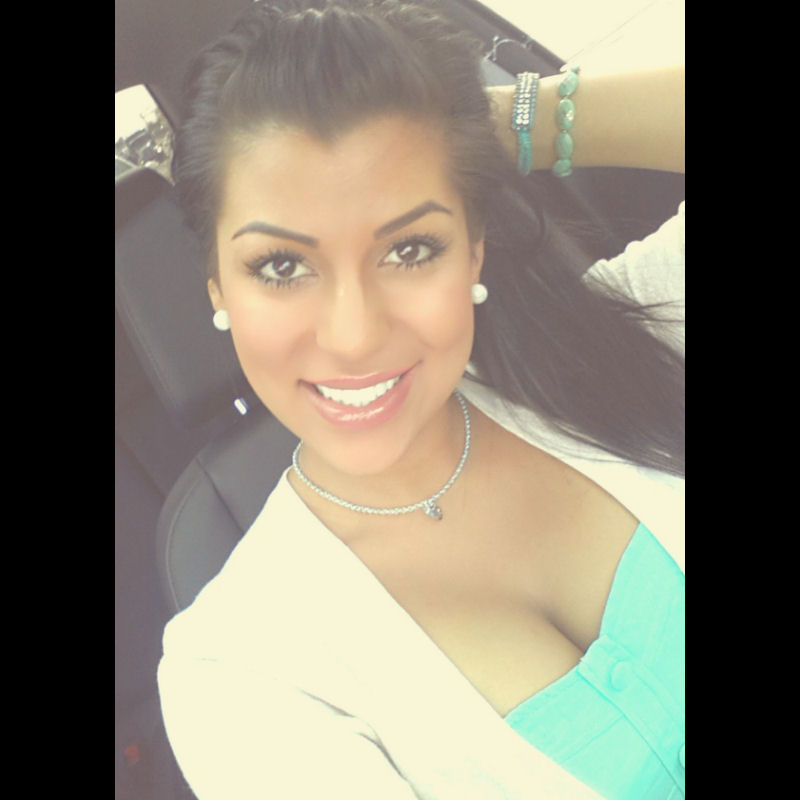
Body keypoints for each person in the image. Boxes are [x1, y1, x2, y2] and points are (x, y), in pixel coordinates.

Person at [157, 1, 684, 798]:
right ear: (218, 292)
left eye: (410, 248)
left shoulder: (619, 345)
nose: (354, 335)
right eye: (281, 266)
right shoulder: (239, 675)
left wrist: (491, 124)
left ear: (472, 251)